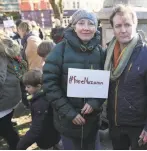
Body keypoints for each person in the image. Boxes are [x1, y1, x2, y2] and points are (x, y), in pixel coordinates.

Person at [43, 9, 105, 150]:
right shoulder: (60, 50)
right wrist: (70, 113)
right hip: (67, 122)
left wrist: (95, 102)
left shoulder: (101, 52)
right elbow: (49, 85)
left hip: (92, 122)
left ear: (96, 28)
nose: (86, 28)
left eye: (91, 24)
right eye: (81, 23)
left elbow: (105, 83)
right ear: (73, 26)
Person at [104, 5, 147, 150]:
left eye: (127, 25)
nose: (123, 30)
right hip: (115, 122)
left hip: (138, 125)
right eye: (118, 26)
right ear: (113, 28)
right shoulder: (107, 53)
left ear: (135, 25)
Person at [16, 70, 61, 150]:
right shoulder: (45, 94)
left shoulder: (40, 104)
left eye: (28, 87)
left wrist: (21, 145)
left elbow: (36, 128)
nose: (26, 89)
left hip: (46, 138)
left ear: (38, 86)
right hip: (54, 134)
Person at [0, 33, 21, 149]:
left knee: (6, 130)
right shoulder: (4, 46)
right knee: (6, 128)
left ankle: (17, 147)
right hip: (10, 94)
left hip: (5, 98)